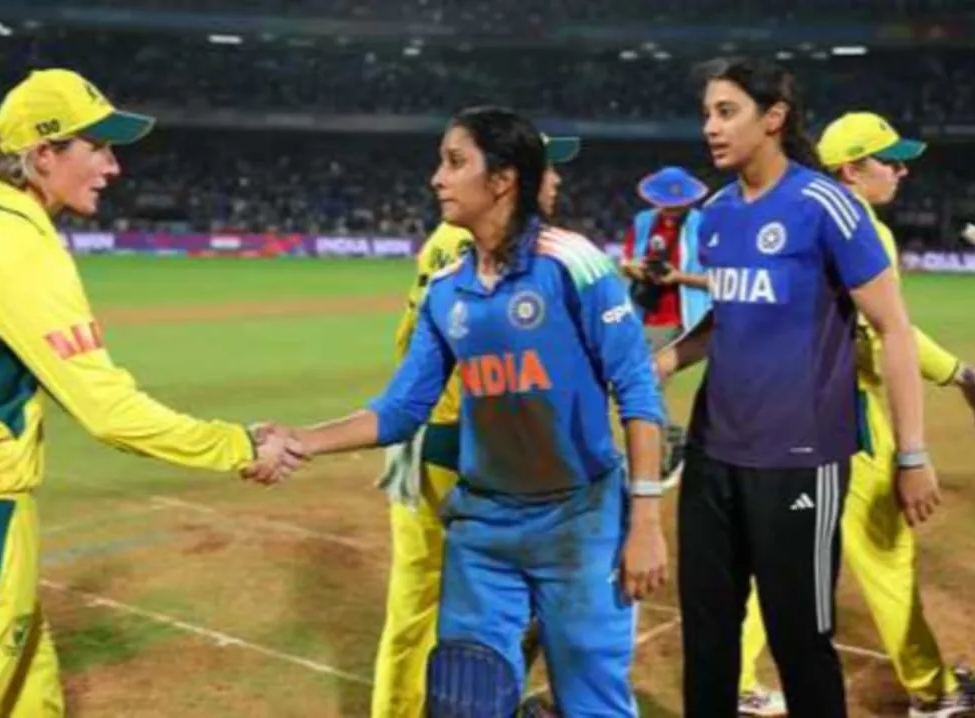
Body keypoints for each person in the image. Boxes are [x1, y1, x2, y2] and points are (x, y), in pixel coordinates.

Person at [0, 68, 300, 716]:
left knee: (27, 686)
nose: (113, 167)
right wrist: (236, 444)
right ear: (44, 155)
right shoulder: (25, 254)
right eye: (98, 147)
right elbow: (110, 412)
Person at [269, 105, 667, 716]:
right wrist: (301, 440)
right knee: (466, 700)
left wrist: (645, 522)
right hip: (483, 529)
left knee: (593, 702)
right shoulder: (446, 289)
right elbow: (402, 409)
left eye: (456, 163)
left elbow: (637, 390)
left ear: (503, 179)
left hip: (580, 522)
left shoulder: (574, 263)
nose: (437, 177)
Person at [654, 57, 940, 718]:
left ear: (774, 119)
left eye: (726, 112)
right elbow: (728, 317)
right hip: (712, 457)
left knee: (798, 639)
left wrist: (914, 453)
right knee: (708, 638)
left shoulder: (826, 205)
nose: (710, 129)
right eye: (707, 114)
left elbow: (893, 330)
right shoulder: (717, 215)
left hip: (799, 460)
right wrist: (666, 361)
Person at [734, 111, 975, 717]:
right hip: (841, 418)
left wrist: (959, 372)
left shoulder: (790, 213)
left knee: (767, 558)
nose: (902, 170)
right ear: (852, 169)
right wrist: (921, 438)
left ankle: (732, 677)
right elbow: (885, 341)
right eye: (890, 159)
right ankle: (933, 691)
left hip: (771, 416)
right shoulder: (860, 228)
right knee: (885, 554)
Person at [371, 133, 581, 718]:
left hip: (432, 440)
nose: (558, 182)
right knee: (524, 593)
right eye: (549, 170)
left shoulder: (459, 240)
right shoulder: (483, 245)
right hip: (464, 450)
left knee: (419, 603)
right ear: (509, 178)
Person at [618, 166, 713, 487]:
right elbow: (627, 263)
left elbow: (718, 280)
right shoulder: (643, 222)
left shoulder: (703, 225)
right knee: (638, 384)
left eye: (678, 204)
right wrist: (639, 271)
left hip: (684, 318)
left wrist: (678, 277)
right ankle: (669, 452)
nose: (671, 209)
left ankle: (670, 450)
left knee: (645, 383)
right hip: (644, 315)